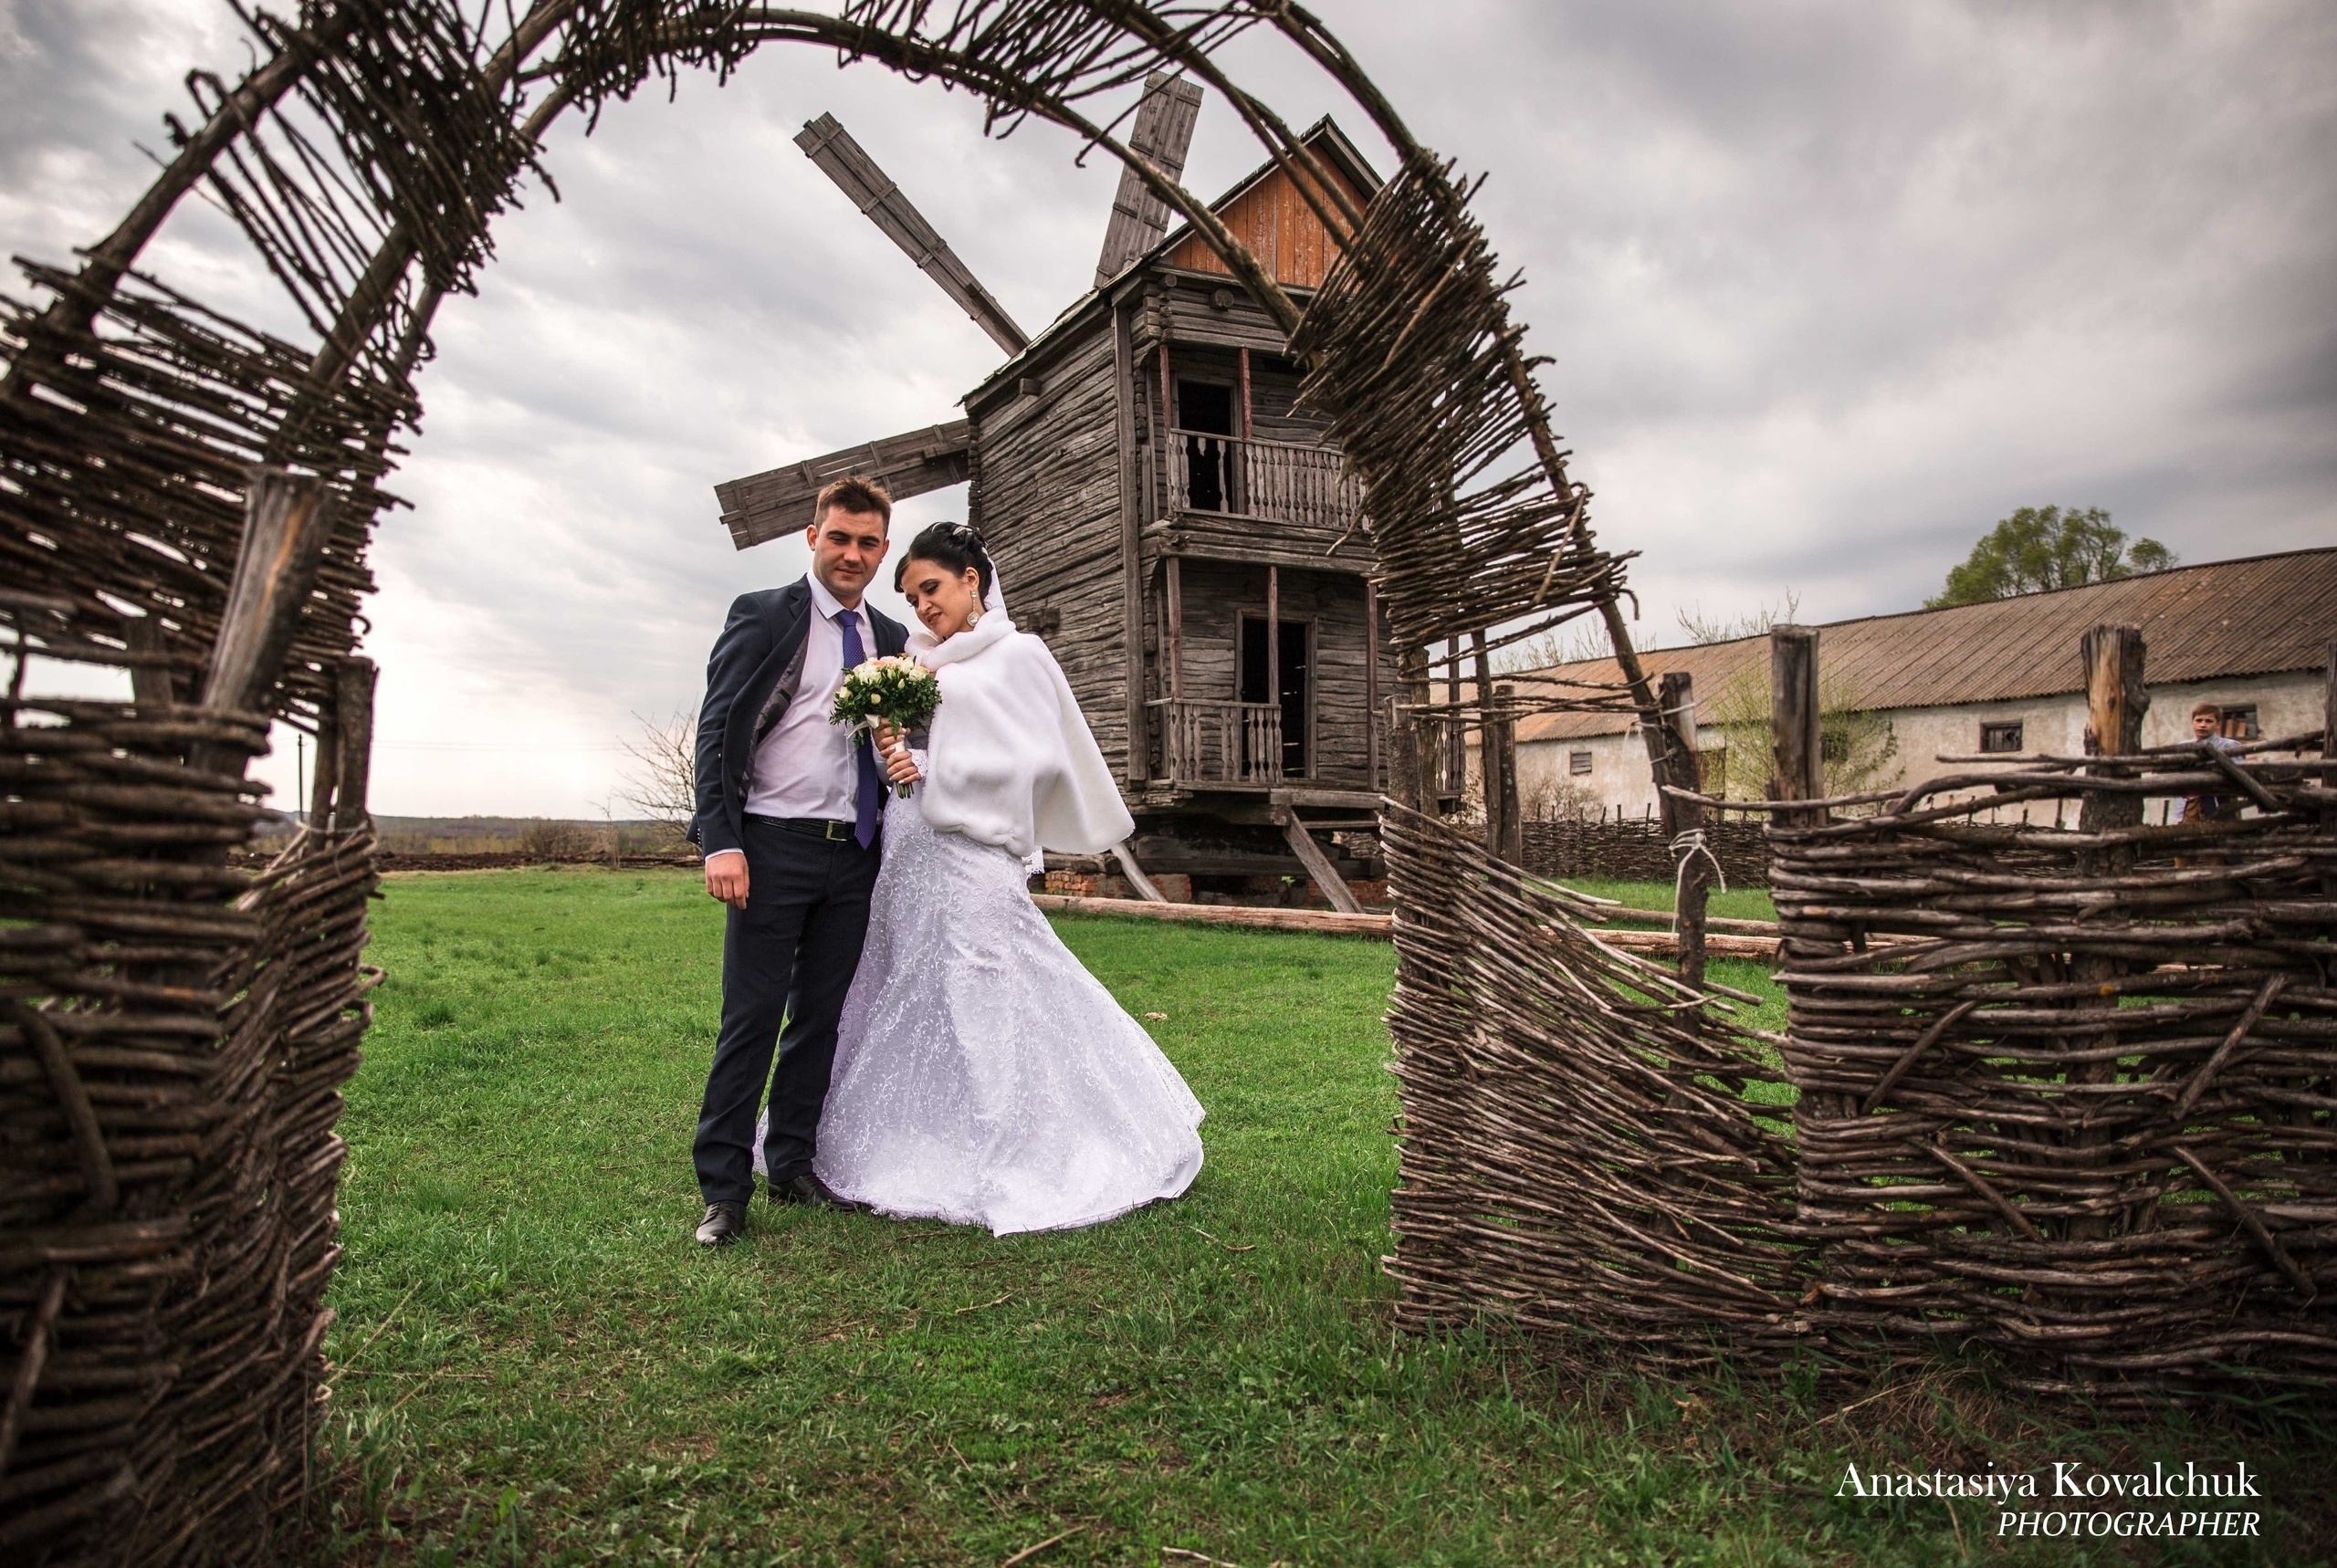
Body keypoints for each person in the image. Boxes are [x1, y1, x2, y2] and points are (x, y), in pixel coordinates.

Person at [791, 522, 1205, 1235]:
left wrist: (938, 770)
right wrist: (894, 748)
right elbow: (919, 750)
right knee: (900, 976)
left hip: (974, 849)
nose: (922, 607)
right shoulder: (914, 661)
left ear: (971, 582)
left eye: (932, 589)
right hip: (912, 843)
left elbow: (1034, 760)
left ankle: (1009, 1148)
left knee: (982, 978)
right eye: (913, 595)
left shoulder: (1019, 656)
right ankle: (903, 1136)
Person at [686, 475, 911, 1247]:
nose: (852, 554)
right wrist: (721, 839)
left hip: (853, 853)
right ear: (812, 538)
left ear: (883, 551)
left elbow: (895, 742)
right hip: (769, 846)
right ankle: (724, 1190)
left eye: (867, 542)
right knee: (748, 1021)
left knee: (820, 1020)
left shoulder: (890, 637)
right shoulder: (762, 614)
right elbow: (717, 733)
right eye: (839, 537)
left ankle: (791, 1163)